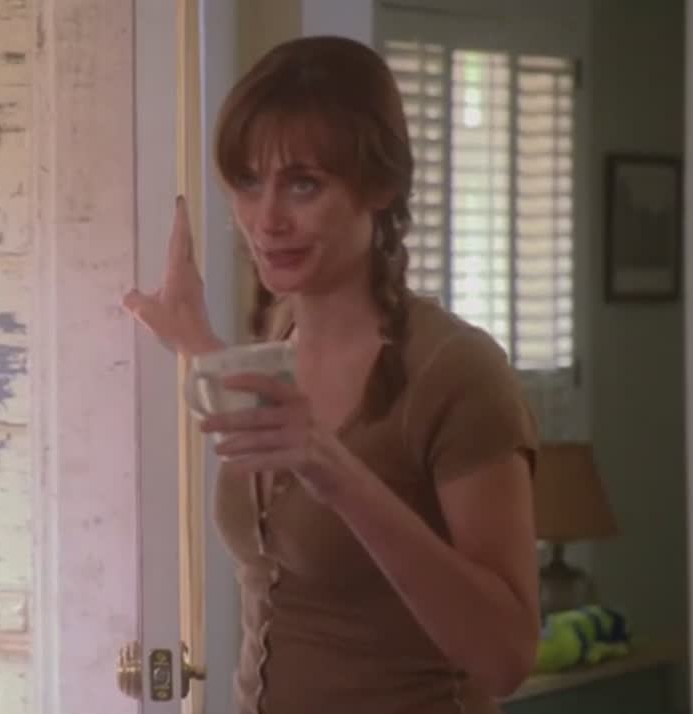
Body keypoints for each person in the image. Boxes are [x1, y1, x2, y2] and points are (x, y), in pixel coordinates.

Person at [122, 36, 541, 714]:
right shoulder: (278, 338)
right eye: (249, 182)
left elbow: (507, 658)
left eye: (303, 184)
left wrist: (334, 471)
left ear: (381, 186)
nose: (266, 220)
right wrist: (198, 343)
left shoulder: (457, 374)